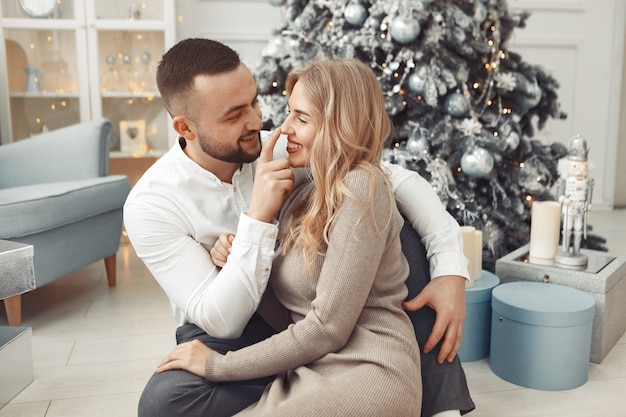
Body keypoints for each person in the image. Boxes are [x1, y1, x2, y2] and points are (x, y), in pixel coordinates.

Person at [123, 38, 474, 417]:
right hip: (235, 324)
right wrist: (253, 225)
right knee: (163, 403)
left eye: (255, 101)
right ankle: (303, 383)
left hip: (326, 319)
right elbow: (221, 321)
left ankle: (436, 402)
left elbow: (395, 181)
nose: (258, 122)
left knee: (398, 230)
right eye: (234, 114)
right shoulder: (151, 204)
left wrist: (452, 268)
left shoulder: (281, 148)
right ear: (185, 127)